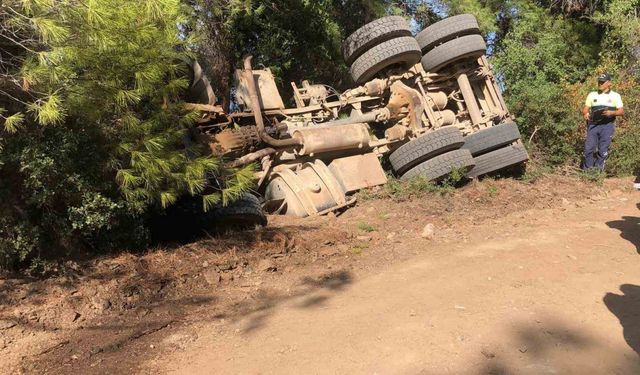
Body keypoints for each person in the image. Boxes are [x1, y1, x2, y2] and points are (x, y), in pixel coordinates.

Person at [582, 73, 624, 171]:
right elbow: (585, 109)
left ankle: (598, 172)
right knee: (589, 149)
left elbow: (621, 111)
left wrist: (611, 113)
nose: (600, 83)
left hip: (607, 126)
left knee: (602, 150)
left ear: (609, 83)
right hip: (593, 125)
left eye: (602, 82)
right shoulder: (592, 95)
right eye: (599, 81)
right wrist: (586, 114)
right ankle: (588, 172)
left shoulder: (615, 96)